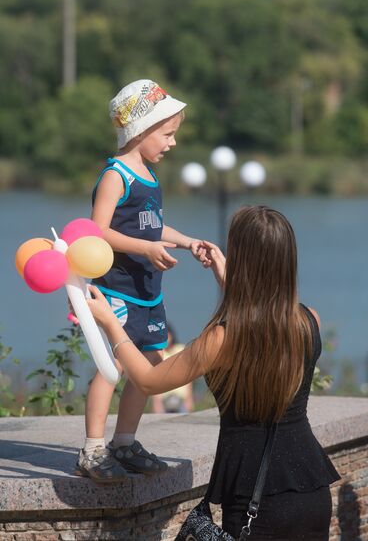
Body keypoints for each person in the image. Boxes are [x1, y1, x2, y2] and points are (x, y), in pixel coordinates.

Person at [86, 205, 340, 540]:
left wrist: (111, 325)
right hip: (312, 491)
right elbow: (265, 334)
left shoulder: (221, 339)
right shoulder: (309, 321)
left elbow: (148, 379)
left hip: (255, 500)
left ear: (243, 262)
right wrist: (229, 281)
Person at [75, 79, 210, 483]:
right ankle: (93, 448)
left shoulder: (148, 175)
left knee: (150, 363)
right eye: (167, 134)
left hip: (148, 292)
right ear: (140, 130)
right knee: (113, 366)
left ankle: (125, 441)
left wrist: (186, 242)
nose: (171, 143)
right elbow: (97, 231)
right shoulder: (116, 176)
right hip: (117, 288)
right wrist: (144, 249)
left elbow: (154, 227)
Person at [151, 324, 193, 413]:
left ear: (171, 335)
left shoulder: (181, 349)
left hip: (181, 398)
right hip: (163, 399)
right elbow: (154, 378)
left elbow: (188, 375)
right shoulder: (157, 353)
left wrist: (189, 398)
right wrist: (156, 402)